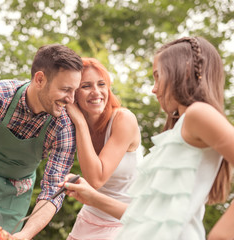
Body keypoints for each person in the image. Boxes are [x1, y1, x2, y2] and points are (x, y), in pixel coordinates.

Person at [63, 36, 234, 240]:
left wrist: (222, 235)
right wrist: (92, 198)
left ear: (183, 72)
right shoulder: (180, 127)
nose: (154, 89)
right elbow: (147, 217)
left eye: (157, 76)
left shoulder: (198, 114)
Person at [0, 43, 83, 239]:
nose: (71, 99)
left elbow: (53, 190)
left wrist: (25, 234)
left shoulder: (64, 129)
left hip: (12, 202)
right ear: (40, 79)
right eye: (65, 89)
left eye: (74, 91)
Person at [64, 57, 142, 240]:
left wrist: (81, 123)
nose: (96, 92)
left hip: (125, 219)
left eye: (101, 84)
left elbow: (96, 179)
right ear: (73, 92)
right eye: (86, 86)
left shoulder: (123, 119)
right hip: (91, 215)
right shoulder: (68, 123)